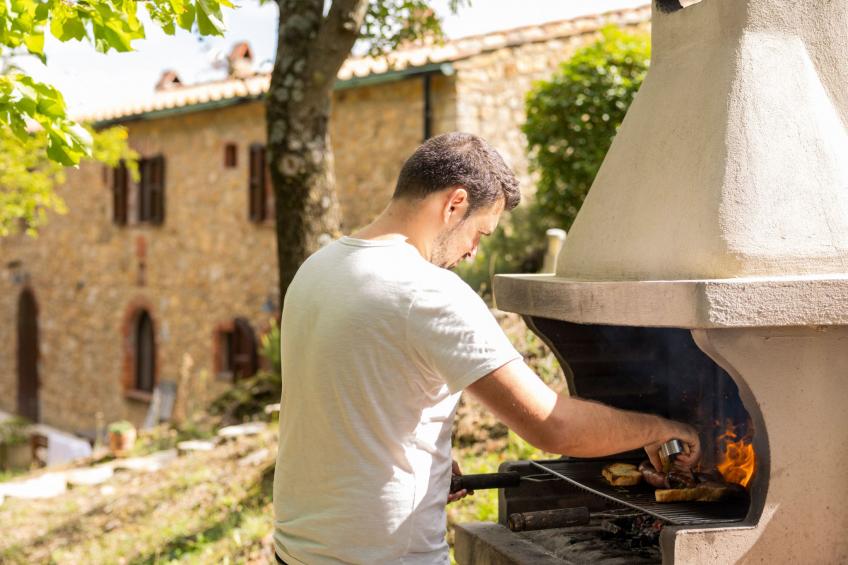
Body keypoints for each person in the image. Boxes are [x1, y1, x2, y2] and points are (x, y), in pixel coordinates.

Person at [272, 132, 701, 565]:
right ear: (454, 203)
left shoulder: (319, 268)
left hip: (297, 550)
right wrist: (660, 428)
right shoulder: (427, 292)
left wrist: (426, 461)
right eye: (480, 232)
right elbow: (553, 426)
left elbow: (342, 401)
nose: (474, 251)